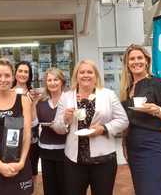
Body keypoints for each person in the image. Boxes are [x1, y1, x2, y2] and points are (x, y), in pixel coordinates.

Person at [52, 59, 128, 195]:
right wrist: (65, 119)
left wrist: (103, 128)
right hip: (74, 160)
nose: (85, 75)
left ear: (96, 76)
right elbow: (58, 128)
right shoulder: (66, 97)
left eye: (89, 72)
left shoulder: (108, 95)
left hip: (103, 160)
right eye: (82, 72)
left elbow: (123, 120)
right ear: (76, 76)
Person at [119, 44, 161, 195]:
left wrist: (157, 110)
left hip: (153, 145)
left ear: (147, 61)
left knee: (153, 190)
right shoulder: (127, 88)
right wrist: (125, 144)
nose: (136, 61)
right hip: (133, 146)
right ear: (127, 63)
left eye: (139, 58)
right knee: (141, 190)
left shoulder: (157, 83)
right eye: (132, 59)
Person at [0, 58, 33, 195]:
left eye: (7, 75)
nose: (3, 79)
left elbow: (27, 134)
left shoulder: (24, 100)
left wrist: (21, 162)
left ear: (13, 77)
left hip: (18, 162)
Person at [36, 68, 67, 195]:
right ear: (46, 83)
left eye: (56, 79)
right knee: (49, 188)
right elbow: (34, 122)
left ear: (62, 82)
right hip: (45, 150)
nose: (52, 83)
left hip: (65, 150)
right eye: (49, 80)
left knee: (65, 187)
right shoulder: (41, 103)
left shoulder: (68, 100)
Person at [12, 61, 40, 182]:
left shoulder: (34, 93)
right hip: (13, 137)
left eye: (26, 72)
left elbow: (34, 121)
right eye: (20, 71)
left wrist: (33, 102)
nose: (23, 74)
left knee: (32, 170)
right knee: (14, 170)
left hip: (32, 138)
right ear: (15, 73)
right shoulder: (8, 91)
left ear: (29, 75)